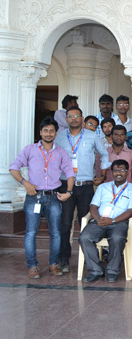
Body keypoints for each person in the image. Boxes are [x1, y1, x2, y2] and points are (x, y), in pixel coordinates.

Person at [9, 117, 75, 279]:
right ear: (40, 132)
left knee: (56, 232)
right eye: (45, 130)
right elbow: (14, 168)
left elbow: (70, 173)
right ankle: (32, 266)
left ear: (56, 133)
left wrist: (69, 191)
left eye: (51, 131)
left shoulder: (61, 152)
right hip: (33, 196)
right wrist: (26, 183)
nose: (48, 134)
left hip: (53, 197)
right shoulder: (30, 150)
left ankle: (54, 264)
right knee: (31, 232)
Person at [55, 106, 110, 273]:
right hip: (65, 185)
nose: (73, 119)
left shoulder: (92, 136)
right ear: (66, 119)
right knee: (65, 224)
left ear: (82, 119)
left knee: (85, 222)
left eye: (76, 116)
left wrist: (103, 174)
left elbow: (104, 154)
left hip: (86, 186)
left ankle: (88, 258)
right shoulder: (59, 137)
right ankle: (64, 259)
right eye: (70, 116)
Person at [79, 160, 132, 283]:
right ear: (111, 172)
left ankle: (113, 271)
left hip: (119, 222)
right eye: (116, 171)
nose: (119, 173)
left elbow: (131, 211)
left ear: (127, 172)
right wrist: (98, 219)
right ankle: (96, 270)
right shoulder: (103, 187)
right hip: (100, 220)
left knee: (117, 238)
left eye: (122, 170)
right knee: (84, 237)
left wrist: (112, 221)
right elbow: (93, 206)